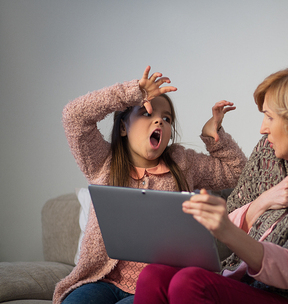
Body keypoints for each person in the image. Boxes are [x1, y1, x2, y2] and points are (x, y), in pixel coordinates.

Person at [133, 63, 288, 304]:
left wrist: (227, 231)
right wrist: (261, 203)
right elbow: (229, 217)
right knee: (154, 275)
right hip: (240, 283)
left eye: (269, 117)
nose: (262, 129)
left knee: (191, 282)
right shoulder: (268, 152)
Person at [53, 66, 247, 304]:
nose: (159, 120)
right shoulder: (103, 162)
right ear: (123, 126)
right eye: (146, 112)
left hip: (154, 287)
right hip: (101, 281)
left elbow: (238, 173)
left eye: (166, 119)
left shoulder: (183, 162)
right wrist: (132, 93)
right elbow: (73, 116)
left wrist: (213, 136)